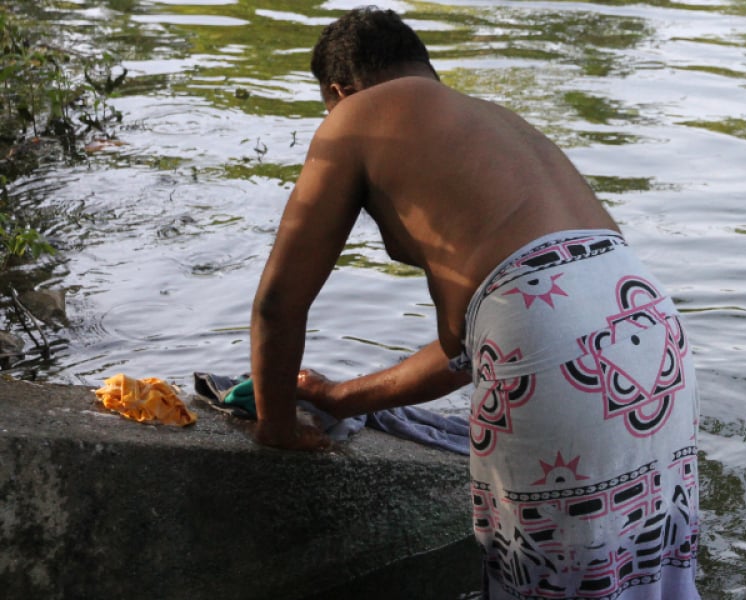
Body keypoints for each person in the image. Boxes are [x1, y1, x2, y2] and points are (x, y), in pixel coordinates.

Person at [249, 7, 700, 599]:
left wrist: (275, 424)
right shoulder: (494, 121)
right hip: (650, 324)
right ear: (422, 67)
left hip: (542, 338)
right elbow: (478, 342)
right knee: (642, 575)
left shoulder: (355, 116)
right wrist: (340, 395)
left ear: (338, 91)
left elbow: (279, 303)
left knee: (539, 581)